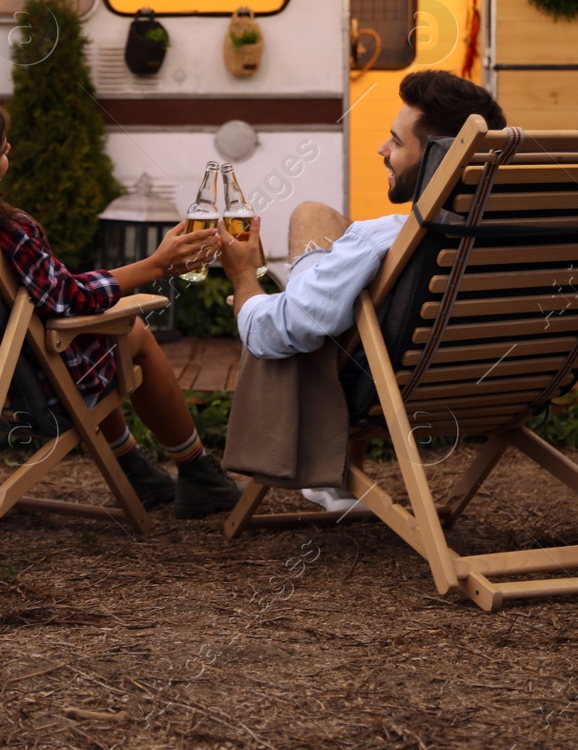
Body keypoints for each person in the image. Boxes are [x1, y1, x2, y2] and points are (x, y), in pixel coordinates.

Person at [0, 93, 242, 519]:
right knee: (129, 331)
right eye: (3, 149)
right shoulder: (6, 233)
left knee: (96, 339)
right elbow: (67, 300)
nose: (10, 153)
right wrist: (157, 265)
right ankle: (197, 472)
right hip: (17, 390)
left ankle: (133, 467)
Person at [216, 71, 505, 507]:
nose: (382, 150)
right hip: (498, 382)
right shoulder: (520, 237)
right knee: (315, 216)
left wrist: (243, 276)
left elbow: (274, 335)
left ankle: (327, 477)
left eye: (397, 142)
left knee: (301, 273)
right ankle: (315, 292)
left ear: (434, 160)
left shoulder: (383, 239)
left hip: (385, 383)